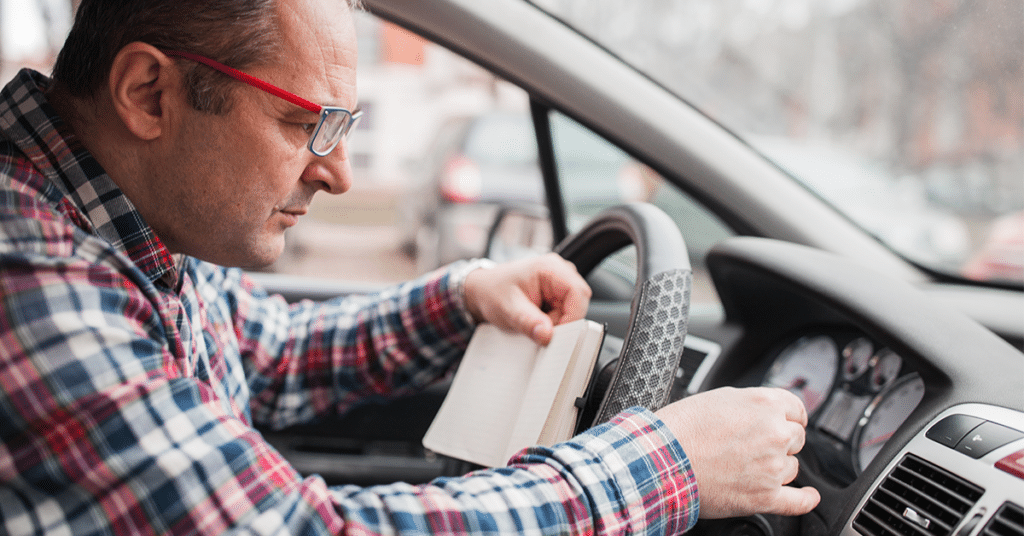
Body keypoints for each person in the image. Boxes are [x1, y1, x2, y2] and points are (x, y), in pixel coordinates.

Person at [0, 0, 819, 534]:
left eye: (346, 127)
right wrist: (663, 463)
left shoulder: (129, 230)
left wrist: (461, 298)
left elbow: (261, 348)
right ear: (148, 92)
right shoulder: (28, 275)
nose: (339, 173)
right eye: (304, 124)